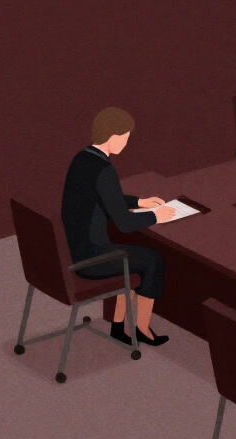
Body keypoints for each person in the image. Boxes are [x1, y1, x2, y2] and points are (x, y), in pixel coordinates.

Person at [60, 107, 175, 346]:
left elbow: (105, 197)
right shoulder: (105, 169)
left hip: (75, 248)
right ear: (113, 137)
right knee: (153, 259)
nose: (126, 143)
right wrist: (157, 216)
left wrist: (139, 202)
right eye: (125, 137)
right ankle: (141, 328)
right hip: (91, 257)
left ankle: (118, 326)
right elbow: (123, 223)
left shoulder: (82, 159)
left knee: (135, 256)